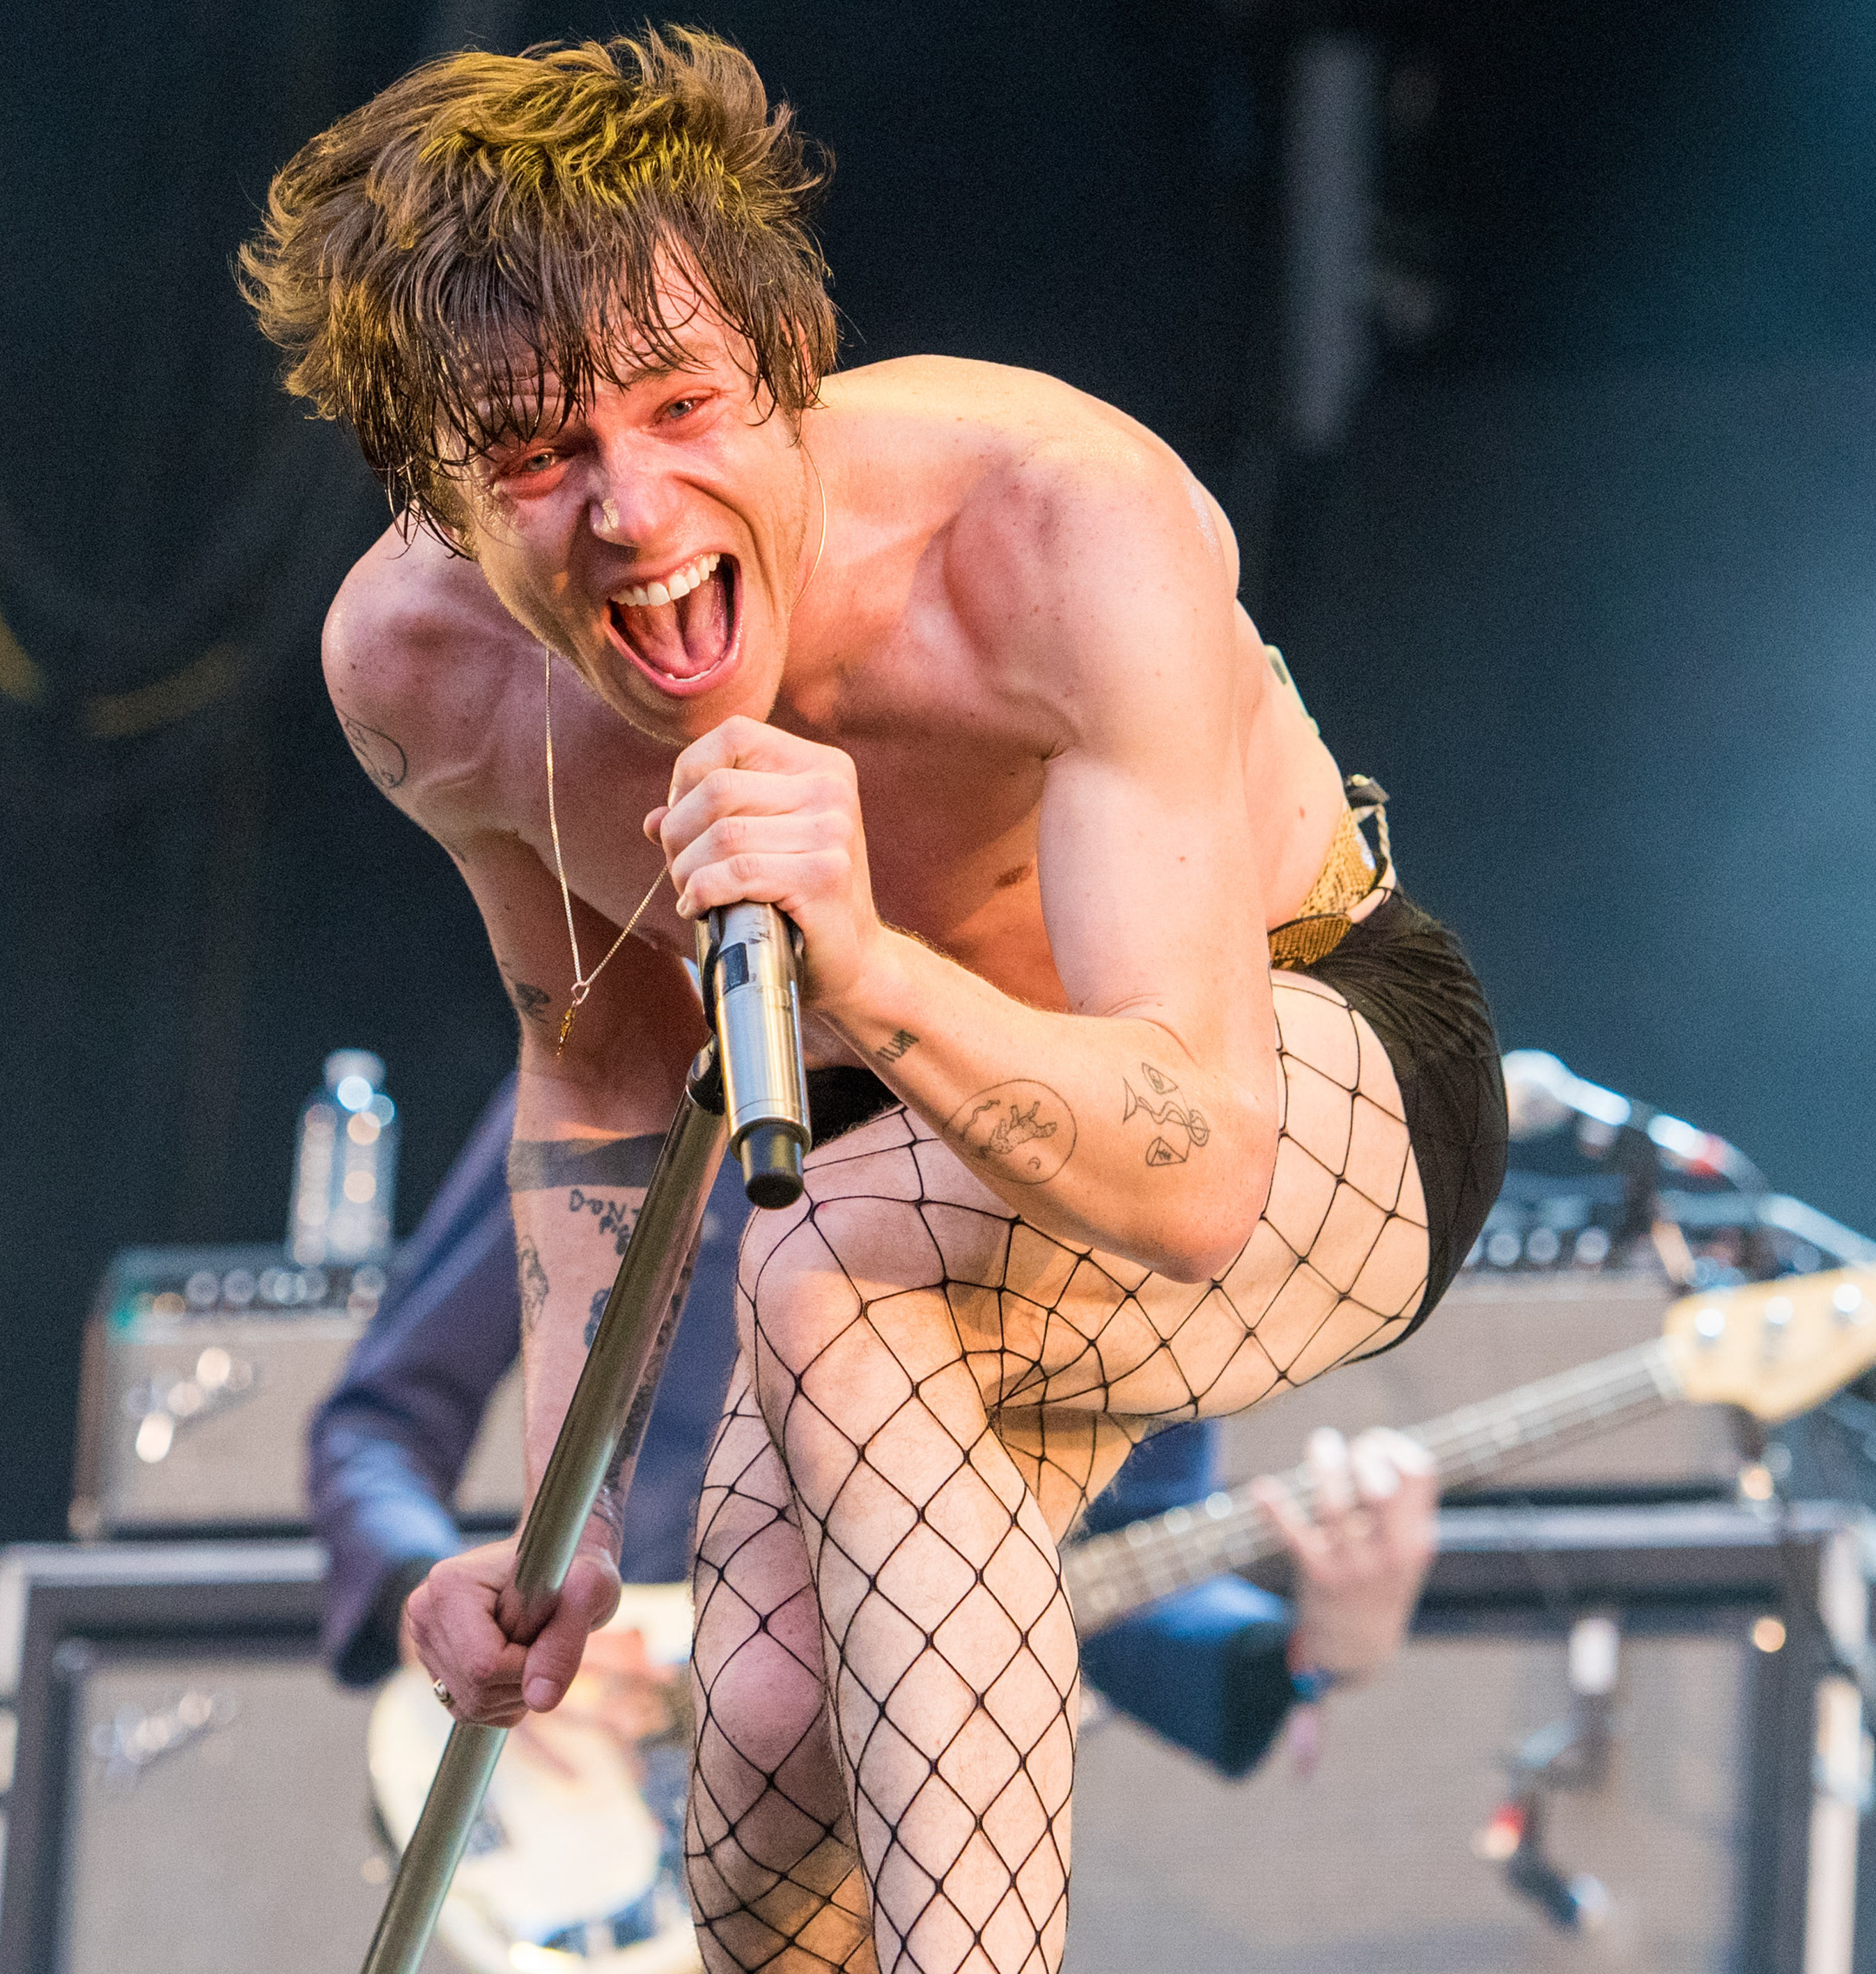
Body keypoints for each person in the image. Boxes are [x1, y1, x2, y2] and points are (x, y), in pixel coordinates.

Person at [245, 30, 1503, 1973]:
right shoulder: (424, 675)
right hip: (907, 1208)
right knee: (765, 1742)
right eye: (539, 456)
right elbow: (596, 1062)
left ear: (786, 367)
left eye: (682, 406)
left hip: (1303, 1073)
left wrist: (872, 963)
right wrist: (571, 1526)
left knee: (825, 1250)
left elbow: (1196, 1172)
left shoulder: (1047, 521)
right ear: (434, 493)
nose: (637, 511)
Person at [312, 1066, 1442, 1778]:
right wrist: (455, 1611)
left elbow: (1101, 1567)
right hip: (611, 1754)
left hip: (901, 1827)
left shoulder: (1107, 1139)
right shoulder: (631, 1067)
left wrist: (1310, 1650)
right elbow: (378, 1424)